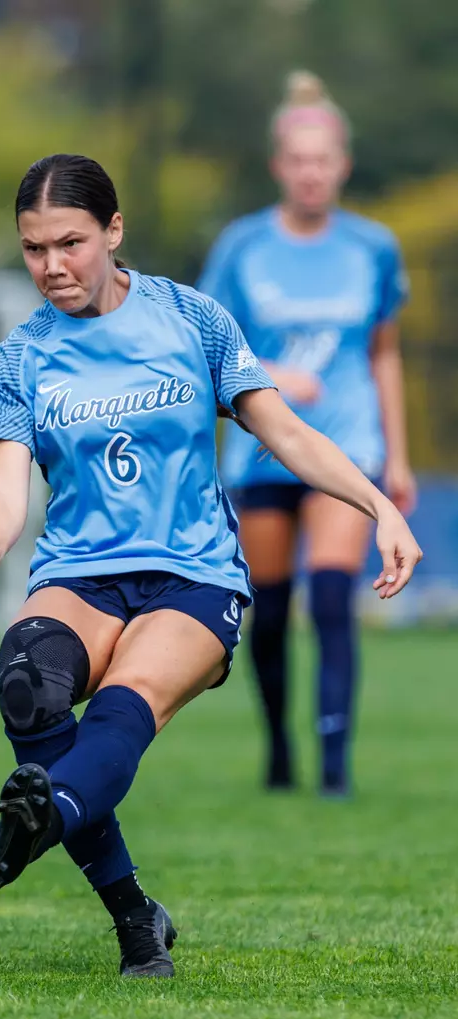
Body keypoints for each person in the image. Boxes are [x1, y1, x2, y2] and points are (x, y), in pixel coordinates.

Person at [0, 154, 421, 979]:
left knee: (124, 712)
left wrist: (376, 505)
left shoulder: (190, 318)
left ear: (114, 231)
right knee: (26, 678)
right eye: (32, 249)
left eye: (70, 242)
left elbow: (289, 435)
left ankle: (46, 817)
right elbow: (4, 487)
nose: (51, 266)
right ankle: (133, 912)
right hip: (79, 571)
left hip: (192, 575)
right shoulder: (21, 358)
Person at [198, 72, 416, 796]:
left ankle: (332, 763)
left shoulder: (372, 248)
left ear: (341, 165)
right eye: (298, 160)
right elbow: (207, 346)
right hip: (263, 448)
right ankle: (278, 751)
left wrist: (399, 457)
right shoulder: (241, 246)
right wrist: (270, 375)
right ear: (278, 167)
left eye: (322, 160)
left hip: (349, 444)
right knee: (271, 606)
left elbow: (383, 353)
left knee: (331, 597)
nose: (311, 172)